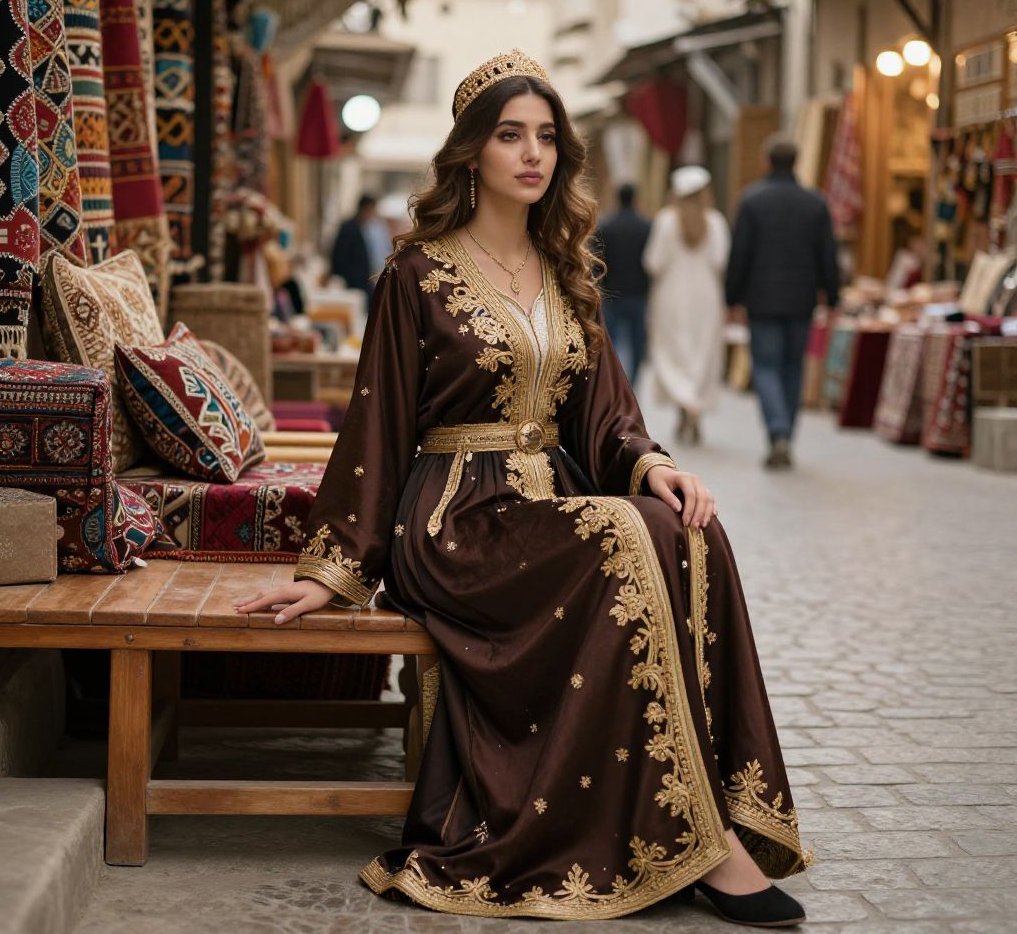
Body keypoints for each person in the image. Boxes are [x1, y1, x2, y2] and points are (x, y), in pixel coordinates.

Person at [235, 50, 809, 927]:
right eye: (511, 136)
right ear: (472, 153)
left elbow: (607, 415)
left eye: (545, 136)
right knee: (624, 536)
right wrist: (332, 570)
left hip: (548, 504)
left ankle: (706, 814)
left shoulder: (568, 272)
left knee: (686, 526)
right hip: (458, 517)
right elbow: (376, 428)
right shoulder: (415, 274)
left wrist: (653, 465)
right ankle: (699, 843)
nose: (532, 153)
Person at [726, 134, 839, 469]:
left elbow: (740, 254)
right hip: (802, 300)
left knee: (766, 366)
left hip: (761, 301)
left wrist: (732, 297)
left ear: (766, 161)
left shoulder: (751, 201)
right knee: (793, 368)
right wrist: (833, 296)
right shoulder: (815, 203)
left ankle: (777, 432)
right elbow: (827, 255)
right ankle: (786, 432)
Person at [644, 166, 729, 446]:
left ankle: (684, 405)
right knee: (702, 354)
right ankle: (696, 408)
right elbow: (721, 261)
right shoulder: (715, 222)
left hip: (671, 296)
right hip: (706, 298)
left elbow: (653, 262)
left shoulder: (666, 221)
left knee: (674, 352)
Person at [595, 183, 651, 385]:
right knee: (637, 343)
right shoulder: (646, 227)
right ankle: (633, 381)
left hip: (612, 293)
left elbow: (596, 262)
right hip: (638, 293)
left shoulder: (606, 226)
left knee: (612, 343)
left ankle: (615, 381)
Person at [329, 194, 379, 303]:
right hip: (353, 284)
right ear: (364, 209)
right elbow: (339, 258)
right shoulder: (348, 228)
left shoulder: (361, 228)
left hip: (361, 282)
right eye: (371, 211)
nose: (372, 215)